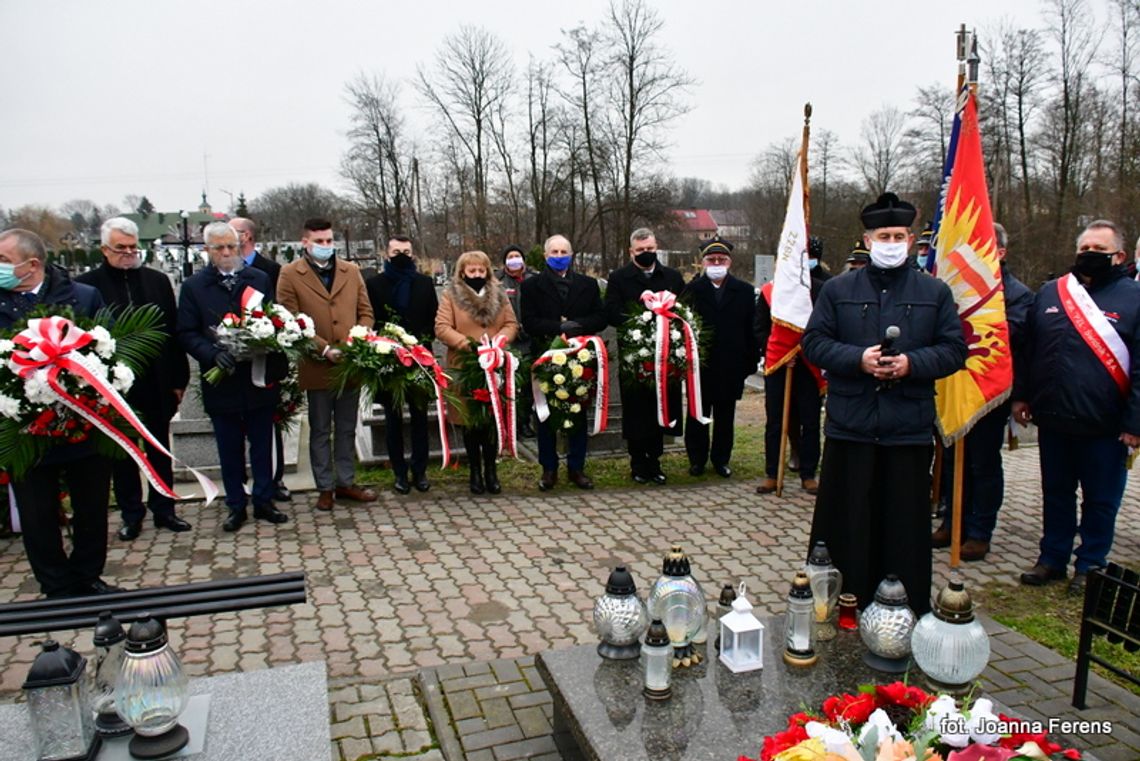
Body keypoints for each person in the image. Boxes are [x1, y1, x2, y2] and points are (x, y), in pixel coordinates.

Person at [803, 193, 967, 615]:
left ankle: (903, 606)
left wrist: (912, 363)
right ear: (868, 238)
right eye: (883, 235)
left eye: (898, 235)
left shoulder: (935, 291)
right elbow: (815, 343)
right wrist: (859, 359)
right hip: (851, 425)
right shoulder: (839, 289)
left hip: (906, 429)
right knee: (847, 522)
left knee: (903, 525)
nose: (891, 241)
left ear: (911, 239)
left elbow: (953, 350)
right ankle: (840, 601)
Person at [1013, 219, 1140, 594]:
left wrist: (1135, 422)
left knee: (1100, 501)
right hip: (1053, 420)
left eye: (1098, 251)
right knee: (1055, 494)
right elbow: (1029, 349)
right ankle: (1052, 557)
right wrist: (1022, 395)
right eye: (1084, 249)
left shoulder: (1134, 299)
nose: (1088, 256)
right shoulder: (1052, 293)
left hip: (1106, 425)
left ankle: (1090, 565)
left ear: (1118, 256)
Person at [0, 228, 118, 597]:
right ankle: (54, 584)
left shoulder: (83, 298)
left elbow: (110, 352)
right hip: (24, 432)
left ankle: (88, 576)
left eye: (3, 261)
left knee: (91, 506)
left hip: (83, 425)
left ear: (31, 264)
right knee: (36, 512)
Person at [76, 217, 192, 541]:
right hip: (114, 385)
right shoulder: (90, 285)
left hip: (157, 380)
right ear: (104, 249)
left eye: (132, 247)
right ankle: (131, 513)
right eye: (120, 248)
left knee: (158, 446)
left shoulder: (157, 281)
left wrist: (178, 379)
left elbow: (172, 332)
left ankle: (165, 508)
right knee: (124, 452)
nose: (128, 253)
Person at [177, 222, 289, 532]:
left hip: (256, 375)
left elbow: (272, 318)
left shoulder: (259, 279)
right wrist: (211, 353)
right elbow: (186, 332)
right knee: (229, 446)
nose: (227, 253)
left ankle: (264, 500)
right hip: (222, 379)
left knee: (262, 443)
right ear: (208, 251)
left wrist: (265, 338)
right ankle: (236, 504)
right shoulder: (194, 287)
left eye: (232, 247)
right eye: (219, 248)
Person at [931, 223, 1034, 562]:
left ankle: (979, 531)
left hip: (988, 392)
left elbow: (1014, 338)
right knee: (949, 461)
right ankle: (951, 521)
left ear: (1000, 253)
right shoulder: (954, 288)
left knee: (982, 463)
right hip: (952, 385)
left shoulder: (1017, 294)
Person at [277, 218, 376, 512]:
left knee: (346, 427)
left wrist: (357, 340)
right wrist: (324, 349)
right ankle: (324, 487)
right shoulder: (290, 273)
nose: (325, 247)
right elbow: (289, 319)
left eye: (329, 241)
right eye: (319, 242)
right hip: (317, 364)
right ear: (305, 243)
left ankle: (345, 482)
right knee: (320, 429)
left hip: (350, 363)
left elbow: (365, 312)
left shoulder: (351, 270)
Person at [520, 234, 607, 490]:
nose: (560, 256)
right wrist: (558, 327)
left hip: (579, 356)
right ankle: (549, 468)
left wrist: (577, 327)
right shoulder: (532, 286)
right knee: (545, 415)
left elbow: (600, 317)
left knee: (577, 414)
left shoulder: (588, 284)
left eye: (564, 252)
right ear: (546, 256)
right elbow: (529, 321)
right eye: (554, 252)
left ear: (572, 254)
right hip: (546, 356)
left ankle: (576, 467)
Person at [605, 228, 686, 484]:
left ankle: (656, 460)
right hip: (635, 358)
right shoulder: (619, 278)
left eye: (650, 249)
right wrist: (642, 321)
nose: (646, 254)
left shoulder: (672, 277)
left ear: (656, 247)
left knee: (662, 406)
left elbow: (685, 310)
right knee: (637, 410)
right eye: (640, 250)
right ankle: (638, 462)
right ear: (631, 251)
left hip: (666, 359)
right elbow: (612, 312)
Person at [435, 250, 518, 494]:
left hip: (495, 364)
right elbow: (442, 327)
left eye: (481, 271)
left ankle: (491, 471)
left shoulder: (499, 293)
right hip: (465, 365)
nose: (477, 275)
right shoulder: (450, 294)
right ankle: (474, 472)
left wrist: (499, 342)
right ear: (463, 272)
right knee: (471, 422)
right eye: (472, 271)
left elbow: (511, 323)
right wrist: (468, 345)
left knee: (491, 420)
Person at [755, 236, 830, 494]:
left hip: (809, 365)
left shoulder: (821, 290)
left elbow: (825, 327)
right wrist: (782, 352)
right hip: (779, 365)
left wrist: (804, 349)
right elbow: (760, 329)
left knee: (810, 421)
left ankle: (808, 473)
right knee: (775, 420)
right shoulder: (770, 292)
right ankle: (772, 473)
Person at [365, 235, 438, 494]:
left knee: (419, 417)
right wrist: (390, 345)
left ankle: (420, 471)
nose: (401, 256)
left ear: (413, 254)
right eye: (396, 252)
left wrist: (418, 344)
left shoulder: (424, 283)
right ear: (387, 254)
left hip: (419, 358)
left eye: (406, 252)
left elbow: (433, 319)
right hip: (388, 359)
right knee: (392, 419)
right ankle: (399, 472)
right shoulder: (374, 284)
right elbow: (370, 321)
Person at [682, 235, 758, 478]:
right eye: (711, 259)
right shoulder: (692, 291)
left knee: (725, 417)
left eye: (721, 259)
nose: (716, 263)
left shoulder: (745, 291)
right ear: (703, 262)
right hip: (700, 366)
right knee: (697, 415)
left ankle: (721, 459)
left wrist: (750, 361)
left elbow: (752, 329)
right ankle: (697, 459)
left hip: (731, 364)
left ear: (730, 262)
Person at [230, 216, 290, 502]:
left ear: (248, 236)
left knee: (268, 425)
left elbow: (281, 314)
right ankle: (239, 485)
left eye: (236, 232)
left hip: (265, 363)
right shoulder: (214, 272)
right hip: (229, 364)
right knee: (234, 431)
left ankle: (273, 481)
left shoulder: (270, 271)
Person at [497, 244, 539, 438]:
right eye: (510, 256)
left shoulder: (534, 278)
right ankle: (509, 424)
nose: (514, 259)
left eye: (517, 256)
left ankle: (524, 422)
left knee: (529, 387)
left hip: (531, 338)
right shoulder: (498, 282)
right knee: (510, 384)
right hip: (509, 340)